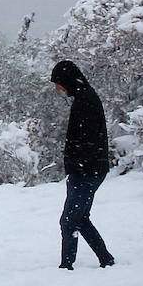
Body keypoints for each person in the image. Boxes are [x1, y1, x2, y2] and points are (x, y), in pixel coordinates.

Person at [51, 60, 115, 270]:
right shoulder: (85, 97)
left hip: (86, 171)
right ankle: (105, 258)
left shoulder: (85, 101)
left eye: (58, 83)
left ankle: (67, 265)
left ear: (67, 80)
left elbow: (86, 140)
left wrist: (76, 166)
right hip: (90, 170)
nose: (57, 88)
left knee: (69, 220)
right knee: (80, 217)